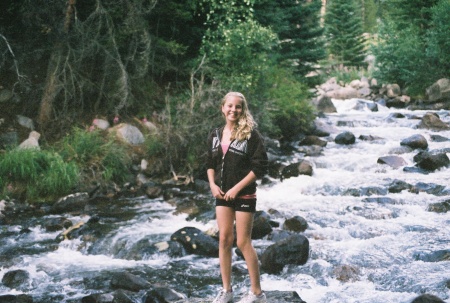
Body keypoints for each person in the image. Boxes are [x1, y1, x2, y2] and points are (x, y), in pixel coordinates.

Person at [206, 92, 268, 303]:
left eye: (238, 107)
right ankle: (226, 291)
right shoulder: (215, 134)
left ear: (243, 109)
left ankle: (257, 293)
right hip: (221, 194)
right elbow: (209, 163)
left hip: (244, 194)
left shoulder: (251, 134)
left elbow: (260, 167)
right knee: (224, 239)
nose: (233, 110)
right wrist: (213, 185)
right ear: (223, 108)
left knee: (243, 242)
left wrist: (236, 189)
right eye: (229, 106)